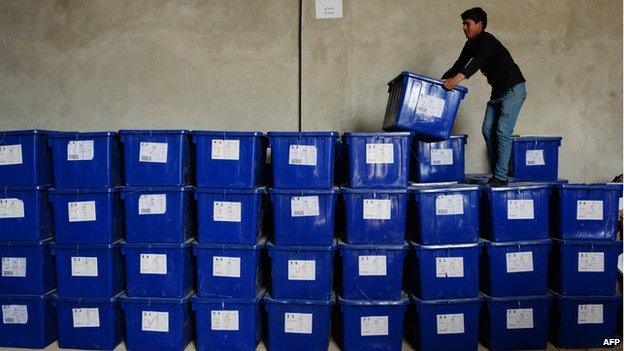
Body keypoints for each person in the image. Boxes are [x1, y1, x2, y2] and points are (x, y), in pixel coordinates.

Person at [441, 7, 526, 187]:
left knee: (502, 130)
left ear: (479, 25)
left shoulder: (486, 40)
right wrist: (438, 82)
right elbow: (459, 64)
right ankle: (499, 172)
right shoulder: (470, 44)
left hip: (513, 89)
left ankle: (501, 176)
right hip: (498, 92)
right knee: (488, 129)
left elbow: (477, 62)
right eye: (463, 24)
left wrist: (456, 80)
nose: (464, 27)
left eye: (468, 24)